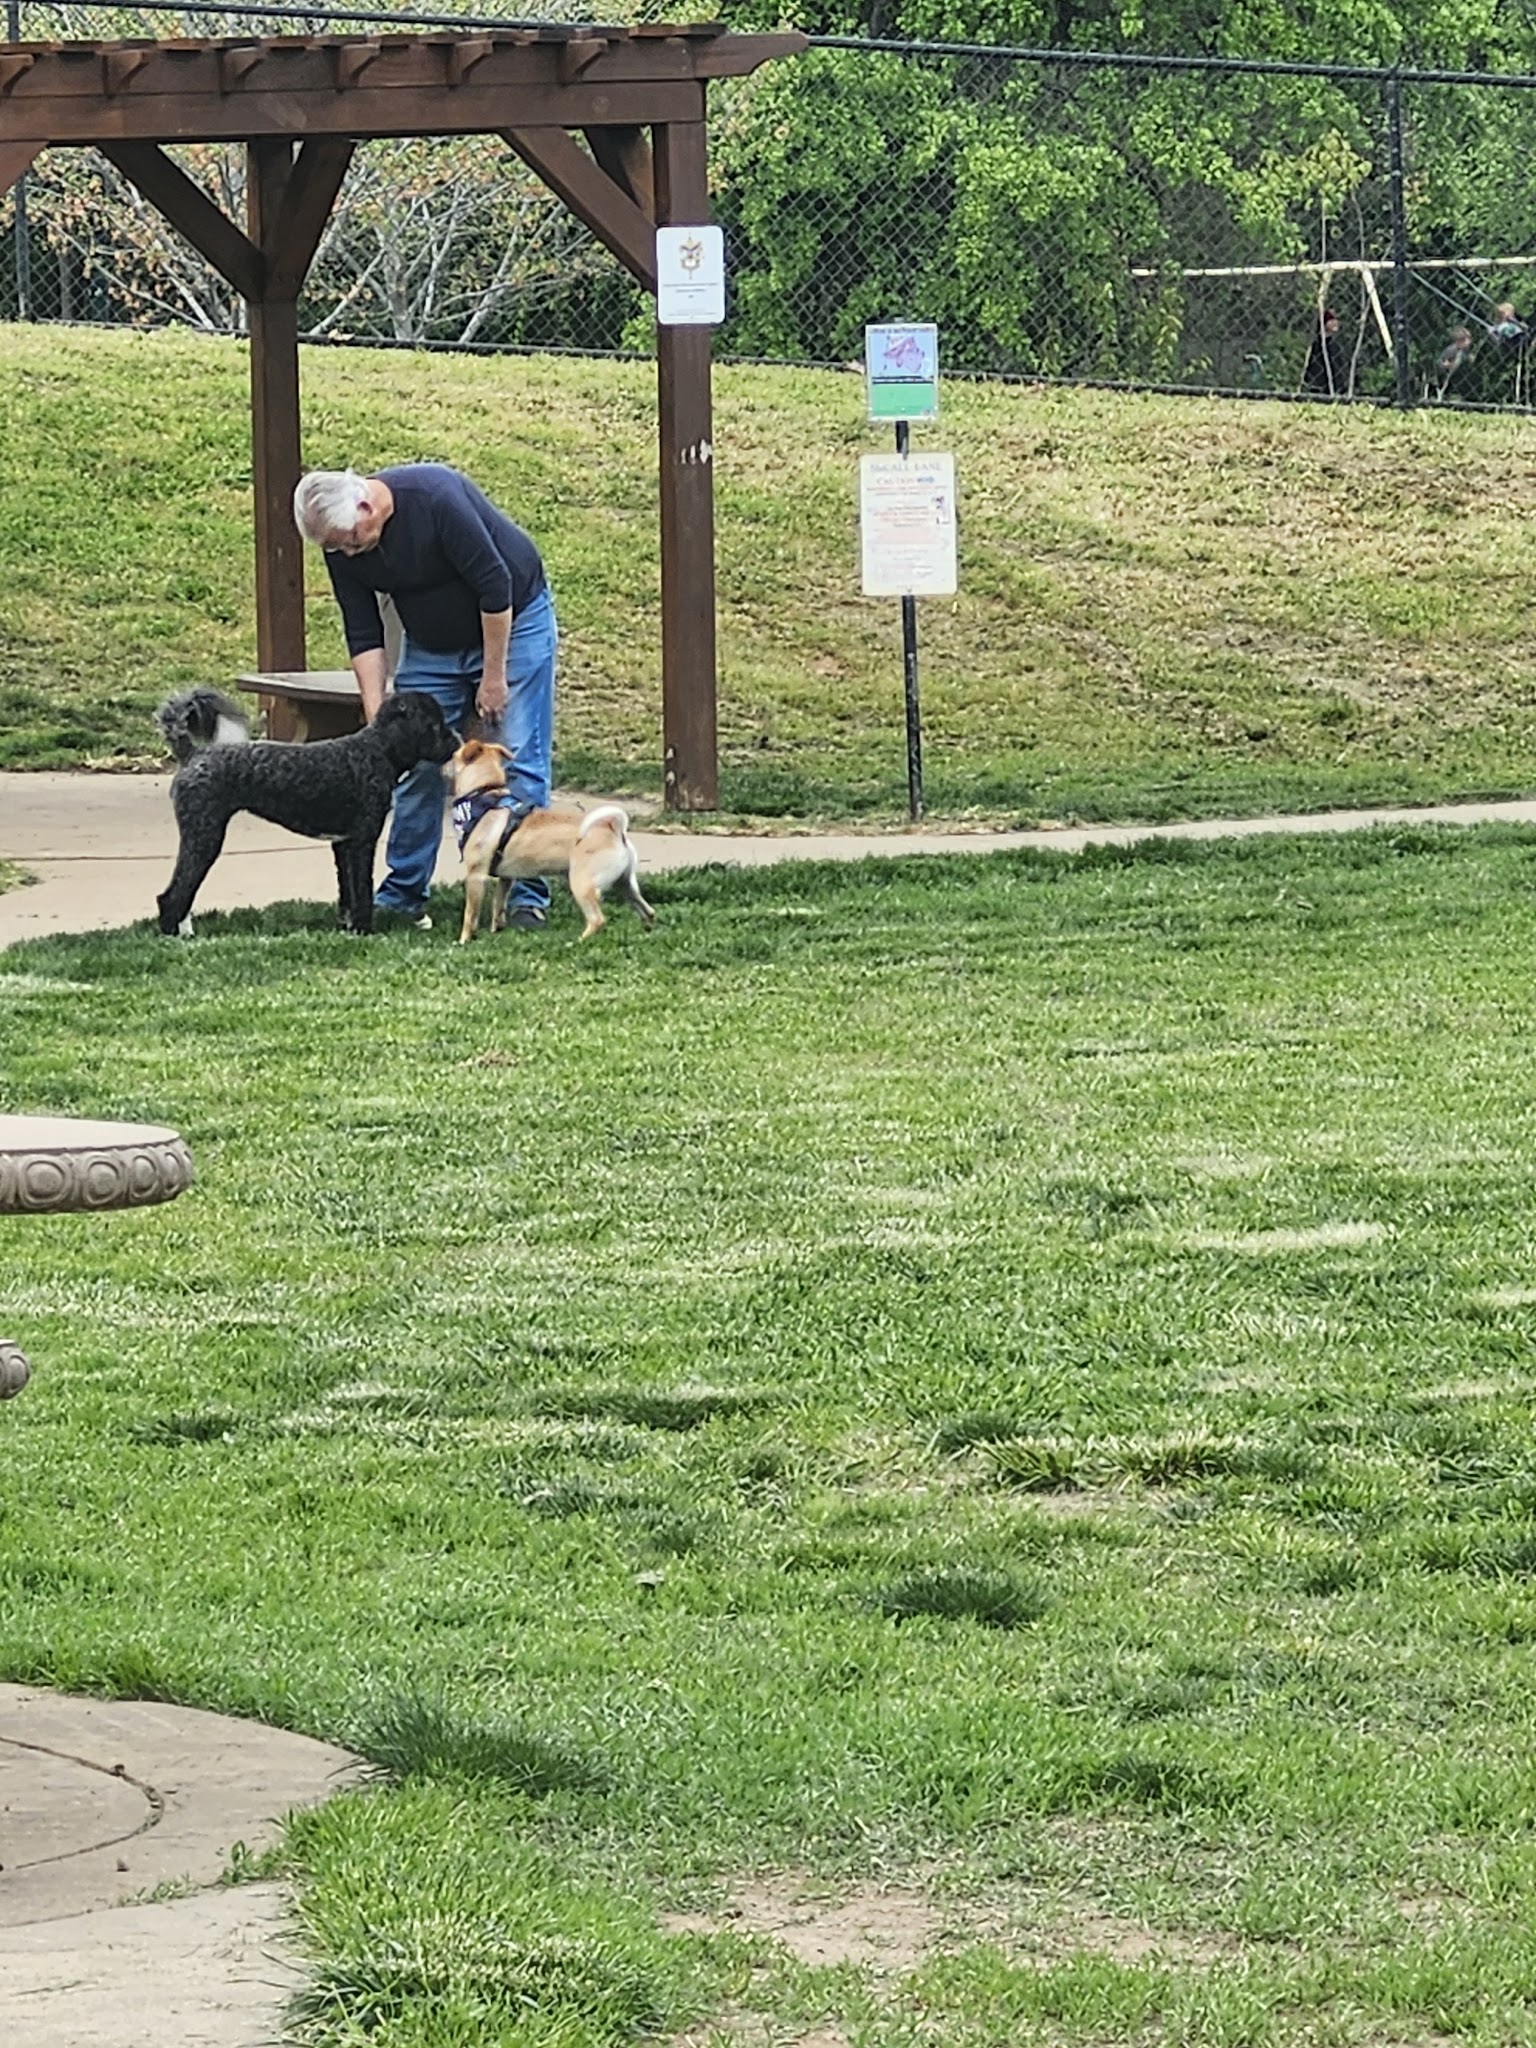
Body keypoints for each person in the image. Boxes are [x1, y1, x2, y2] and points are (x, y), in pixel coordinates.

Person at [293, 463, 558, 930]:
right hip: (431, 643)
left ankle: (526, 895)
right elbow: (363, 629)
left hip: (512, 625)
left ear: (365, 504)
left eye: (352, 540)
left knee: (515, 757)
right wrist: (379, 717)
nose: (349, 553)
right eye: (337, 547)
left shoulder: (435, 498)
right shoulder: (340, 542)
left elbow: (495, 588)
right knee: (412, 764)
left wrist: (494, 678)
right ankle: (403, 892)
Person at [1301, 306, 1346, 397]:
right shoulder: (1318, 345)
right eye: (1331, 320)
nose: (1335, 322)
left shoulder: (1335, 345)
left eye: (1336, 319)